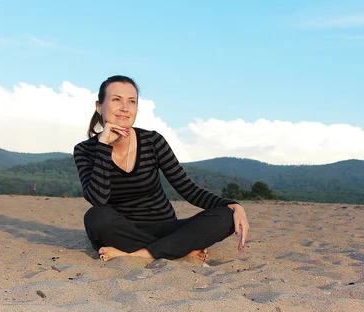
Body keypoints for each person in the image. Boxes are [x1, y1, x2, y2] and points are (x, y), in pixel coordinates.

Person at [73, 75, 249, 262]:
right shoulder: (85, 150)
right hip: (121, 230)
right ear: (99, 106)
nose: (125, 108)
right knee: (95, 218)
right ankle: (176, 249)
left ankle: (139, 254)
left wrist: (231, 204)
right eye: (116, 99)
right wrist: (103, 147)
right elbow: (97, 199)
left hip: (164, 227)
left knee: (227, 217)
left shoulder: (153, 141)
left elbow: (187, 188)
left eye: (131, 101)